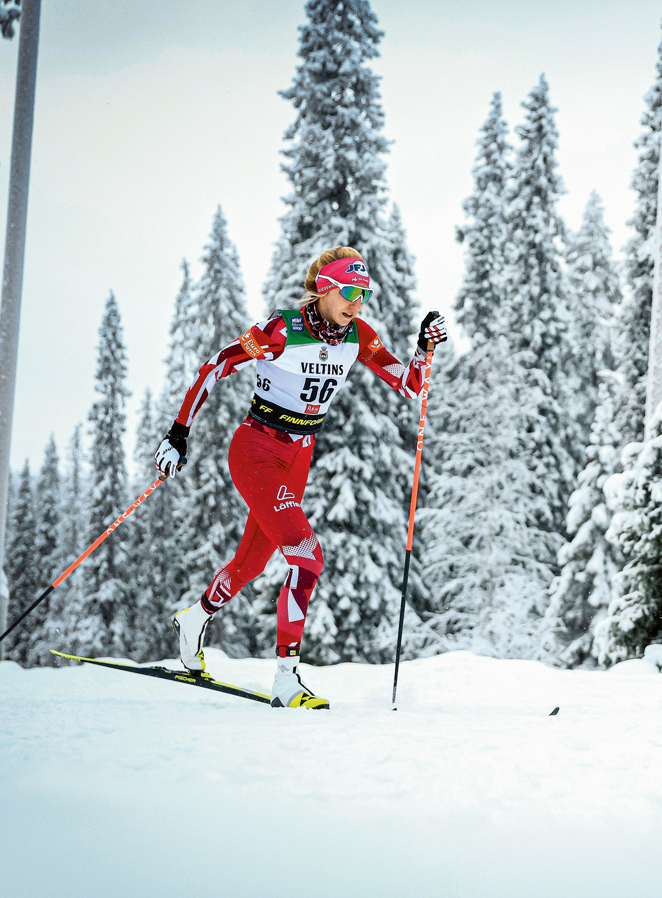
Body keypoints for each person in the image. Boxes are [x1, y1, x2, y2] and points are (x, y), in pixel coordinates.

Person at [153, 246, 447, 709]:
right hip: (256, 450)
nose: (357, 303)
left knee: (250, 564)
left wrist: (424, 348)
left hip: (299, 457)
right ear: (324, 288)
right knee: (307, 559)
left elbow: (410, 385)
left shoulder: (359, 336)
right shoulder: (282, 330)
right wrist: (178, 433)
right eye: (349, 292)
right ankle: (286, 679)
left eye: (364, 295)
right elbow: (216, 365)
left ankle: (194, 618)